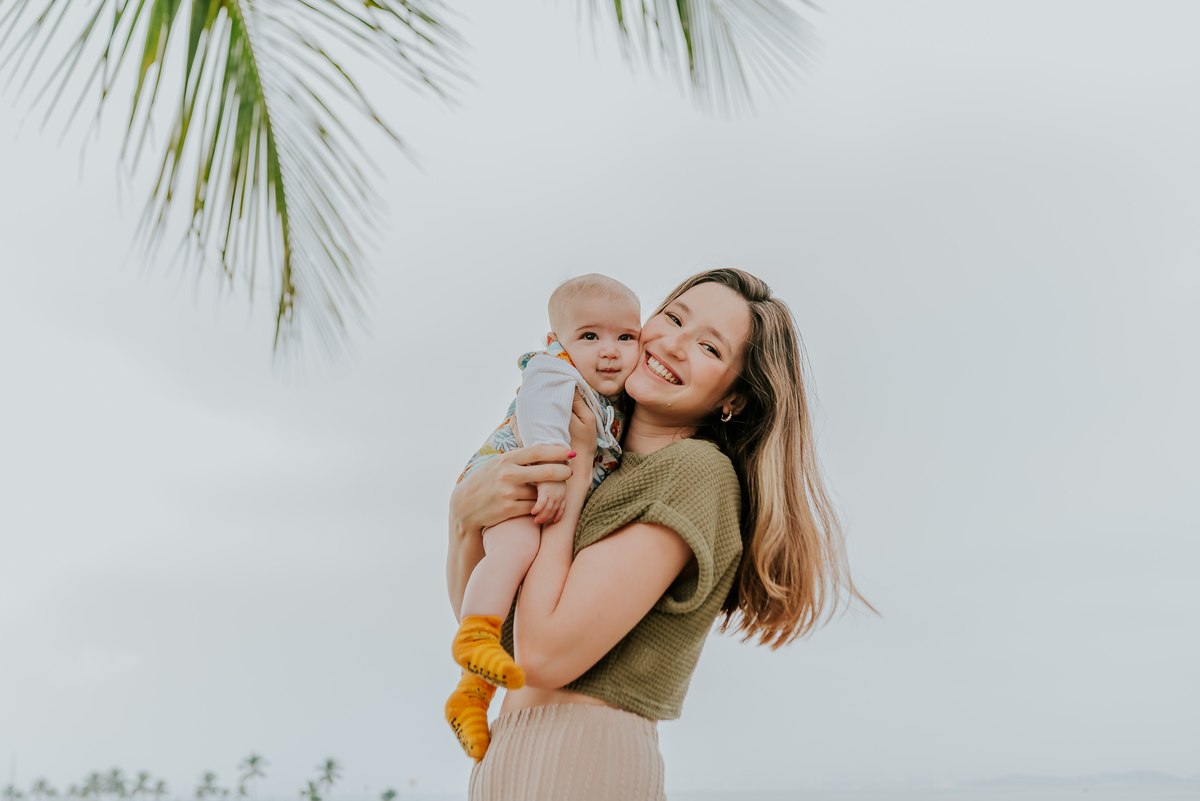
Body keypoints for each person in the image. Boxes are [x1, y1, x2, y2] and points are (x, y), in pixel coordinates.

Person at [446, 269, 870, 801]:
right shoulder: (605, 459)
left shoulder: (693, 472)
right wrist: (462, 520)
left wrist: (571, 478)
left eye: (709, 347)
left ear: (733, 399)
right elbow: (487, 626)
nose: (672, 344)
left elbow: (544, 657)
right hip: (505, 761)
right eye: (672, 318)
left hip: (584, 761)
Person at [445, 274, 642, 760]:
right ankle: (473, 635)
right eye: (590, 336)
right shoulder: (554, 370)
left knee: (523, 578)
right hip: (519, 474)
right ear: (558, 342)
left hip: (541, 482)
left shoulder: (615, 400)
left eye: (626, 337)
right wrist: (553, 473)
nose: (610, 351)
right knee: (516, 550)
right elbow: (537, 411)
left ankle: (470, 694)